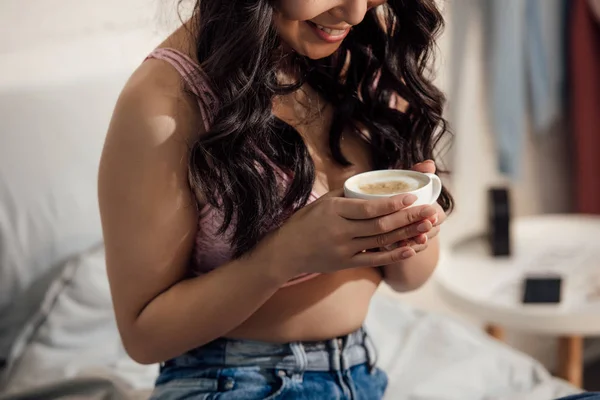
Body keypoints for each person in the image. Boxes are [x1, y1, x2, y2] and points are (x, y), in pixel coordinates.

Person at [98, 0, 453, 398]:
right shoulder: (164, 103)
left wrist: (409, 224)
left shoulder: (364, 50)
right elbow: (143, 338)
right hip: (230, 380)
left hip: (361, 372)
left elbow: (412, 278)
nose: (354, 13)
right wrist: (285, 255)